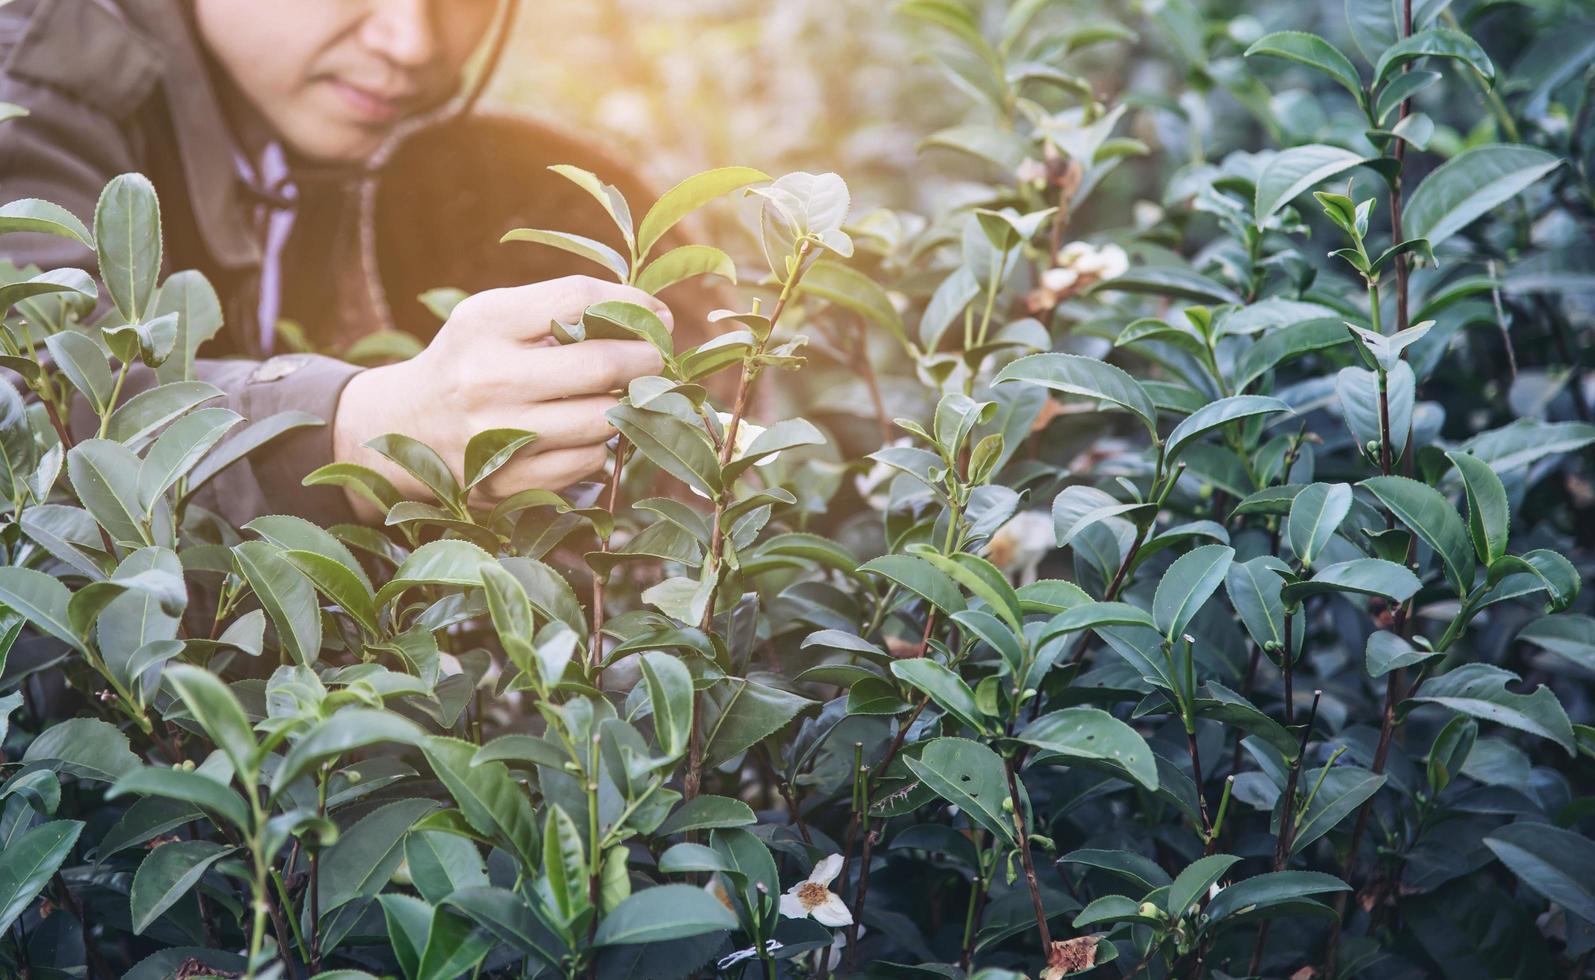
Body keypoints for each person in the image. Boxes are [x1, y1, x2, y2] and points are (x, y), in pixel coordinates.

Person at [0, 0, 674, 526]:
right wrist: (364, 433)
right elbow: (31, 424)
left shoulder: (299, 111)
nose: (412, 42)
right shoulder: (28, 86)